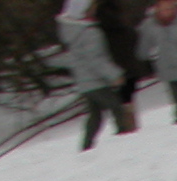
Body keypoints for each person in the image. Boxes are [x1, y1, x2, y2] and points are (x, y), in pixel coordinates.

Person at [57, 0, 138, 148]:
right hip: (95, 82)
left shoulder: (75, 32)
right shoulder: (89, 33)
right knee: (117, 107)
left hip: (85, 82)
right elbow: (96, 60)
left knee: (95, 116)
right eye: (91, 7)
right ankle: (126, 139)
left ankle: (86, 146)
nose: (95, 9)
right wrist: (114, 75)